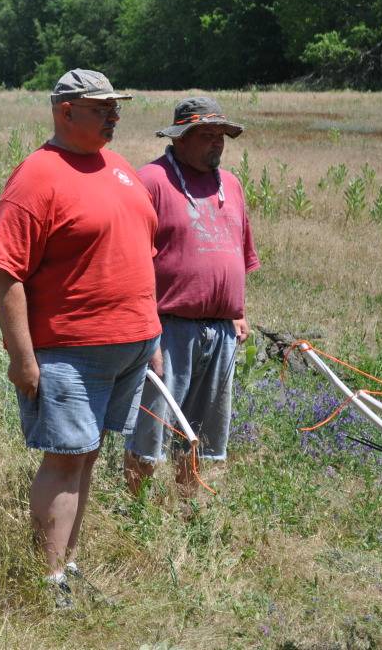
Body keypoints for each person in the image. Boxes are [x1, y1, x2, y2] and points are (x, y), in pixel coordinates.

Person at [0, 69, 161, 607]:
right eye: (101, 106)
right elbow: (4, 273)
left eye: (115, 106)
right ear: (66, 111)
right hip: (69, 350)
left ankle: (69, 563)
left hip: (130, 345)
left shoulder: (117, 166)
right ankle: (49, 580)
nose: (114, 114)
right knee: (64, 458)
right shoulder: (37, 177)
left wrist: (146, 332)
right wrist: (22, 357)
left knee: (88, 455)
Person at [124, 96, 259, 497]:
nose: (216, 143)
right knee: (151, 432)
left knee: (206, 436)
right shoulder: (151, 181)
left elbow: (237, 252)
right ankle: (136, 512)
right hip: (168, 329)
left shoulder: (231, 185)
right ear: (180, 138)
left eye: (221, 136)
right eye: (206, 136)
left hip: (221, 332)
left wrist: (238, 311)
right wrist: (145, 330)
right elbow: (130, 262)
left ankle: (190, 513)